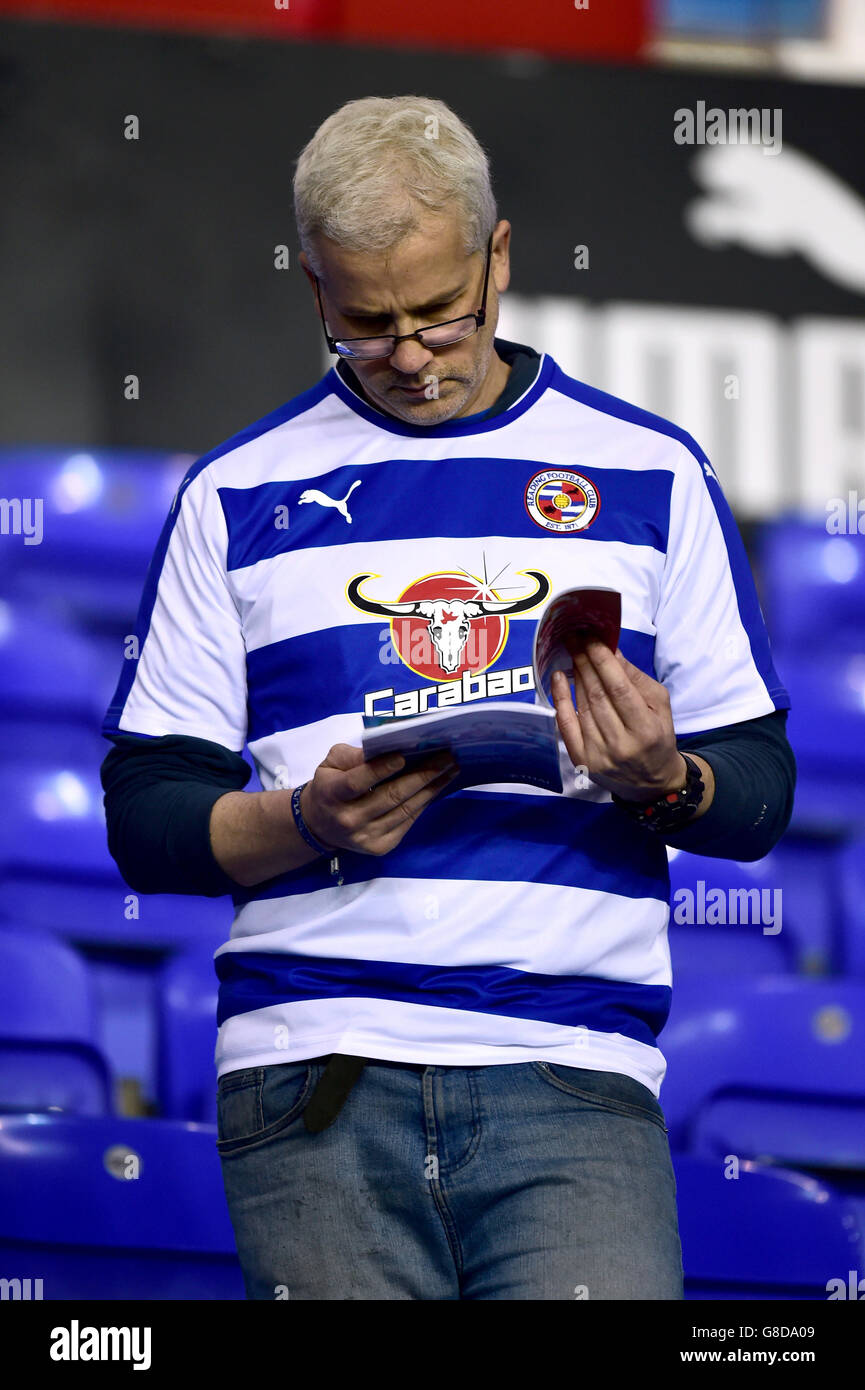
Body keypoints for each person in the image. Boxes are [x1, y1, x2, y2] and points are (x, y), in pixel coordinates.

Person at [101, 95, 796, 1300]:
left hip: (571, 1069)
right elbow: (146, 813)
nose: (412, 358)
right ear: (315, 291)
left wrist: (662, 779)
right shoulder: (235, 493)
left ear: (500, 257)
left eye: (440, 313)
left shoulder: (652, 472)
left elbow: (758, 794)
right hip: (308, 1069)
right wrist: (301, 825)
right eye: (366, 327)